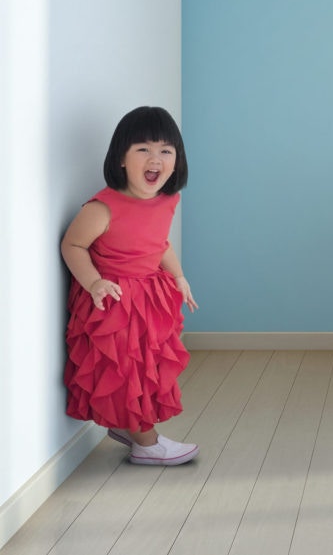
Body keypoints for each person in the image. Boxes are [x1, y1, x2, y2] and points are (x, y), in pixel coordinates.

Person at [60, 106, 199, 466]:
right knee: (126, 373)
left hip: (149, 297)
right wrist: (94, 282)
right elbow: (73, 245)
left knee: (148, 369)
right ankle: (147, 444)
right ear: (121, 158)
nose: (155, 159)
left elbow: (159, 243)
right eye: (143, 149)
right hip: (115, 300)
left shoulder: (167, 200)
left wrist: (179, 276)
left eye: (165, 150)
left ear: (176, 160)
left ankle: (129, 429)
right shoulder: (103, 208)